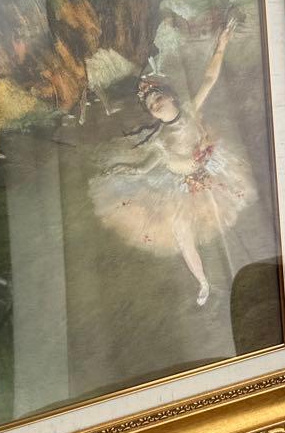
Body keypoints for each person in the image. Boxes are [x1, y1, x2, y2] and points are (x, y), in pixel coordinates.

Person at [88, 20, 253, 306]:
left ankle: (242, 265)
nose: (154, 104)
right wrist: (120, 170)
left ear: (172, 97)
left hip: (207, 171)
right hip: (175, 187)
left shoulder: (190, 110)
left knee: (223, 216)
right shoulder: (159, 140)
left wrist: (221, 45)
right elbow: (143, 168)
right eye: (150, 105)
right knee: (182, 235)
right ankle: (203, 283)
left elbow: (210, 78)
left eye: (158, 97)